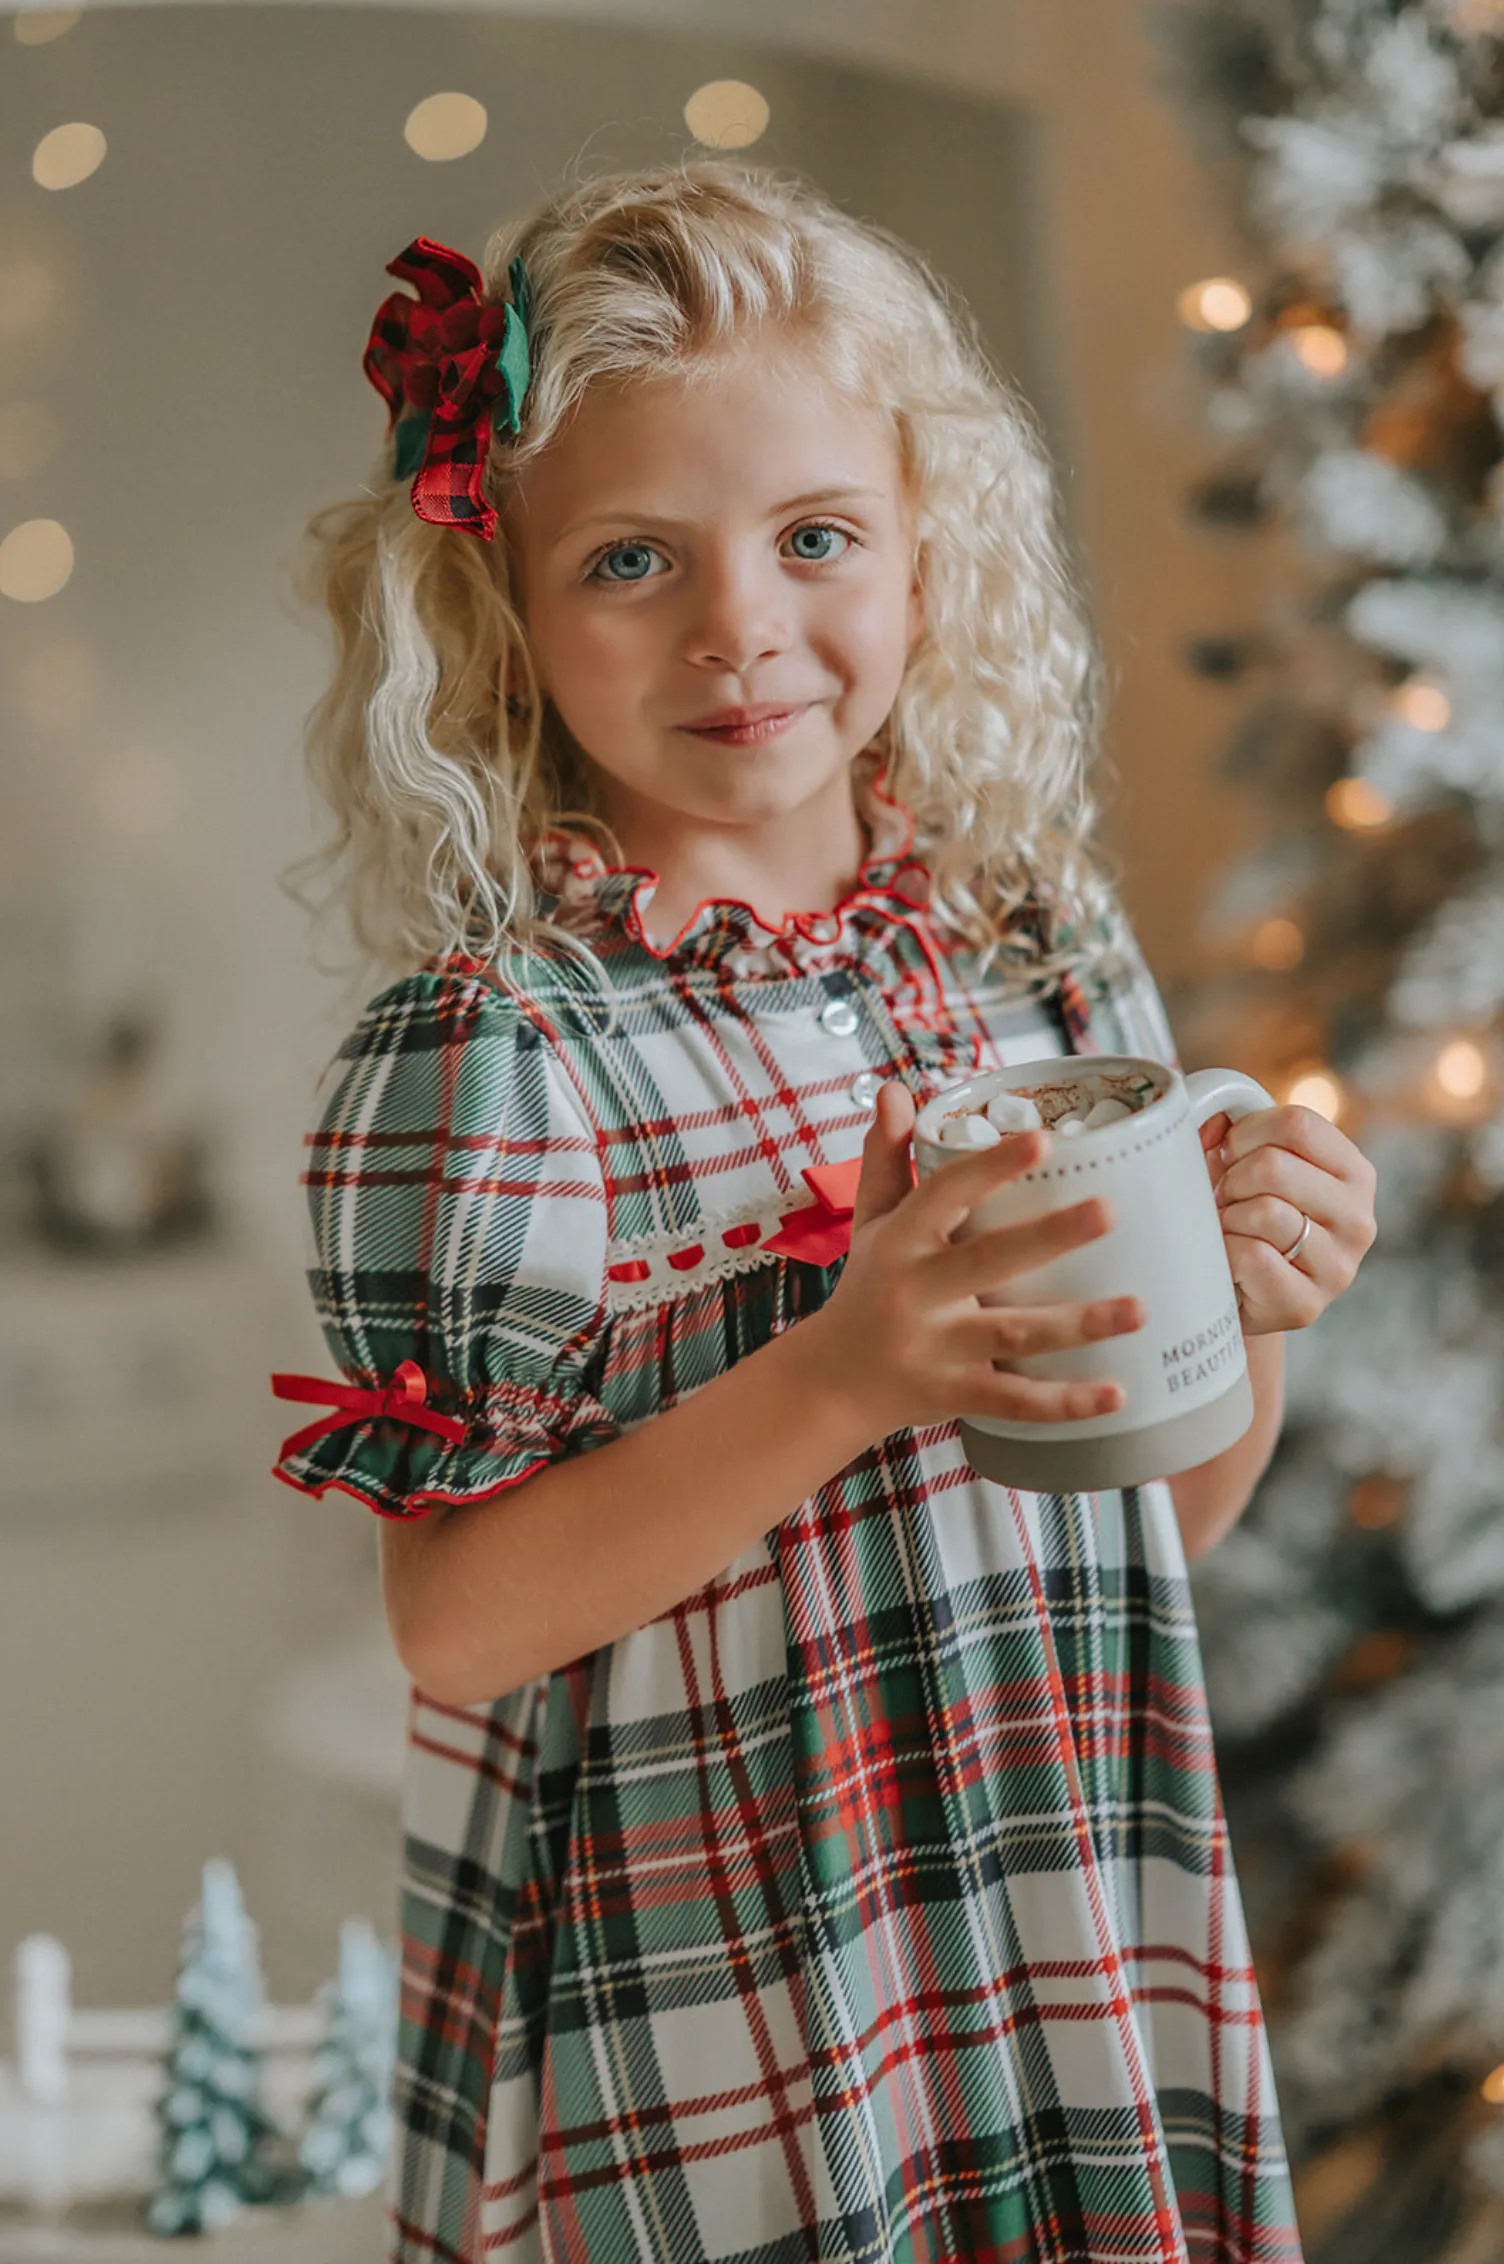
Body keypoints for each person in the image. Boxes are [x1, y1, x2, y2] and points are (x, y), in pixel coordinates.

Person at [270, 161, 1377, 2263]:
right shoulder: (495, 1050)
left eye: (810, 539)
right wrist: (845, 1369)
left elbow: (1152, 1519)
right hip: (719, 1994)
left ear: (919, 542)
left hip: (1052, 1910)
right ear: (496, 603)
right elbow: (461, 1620)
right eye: (630, 560)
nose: (739, 629)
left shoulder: (1032, 960)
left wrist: (1263, 1306)